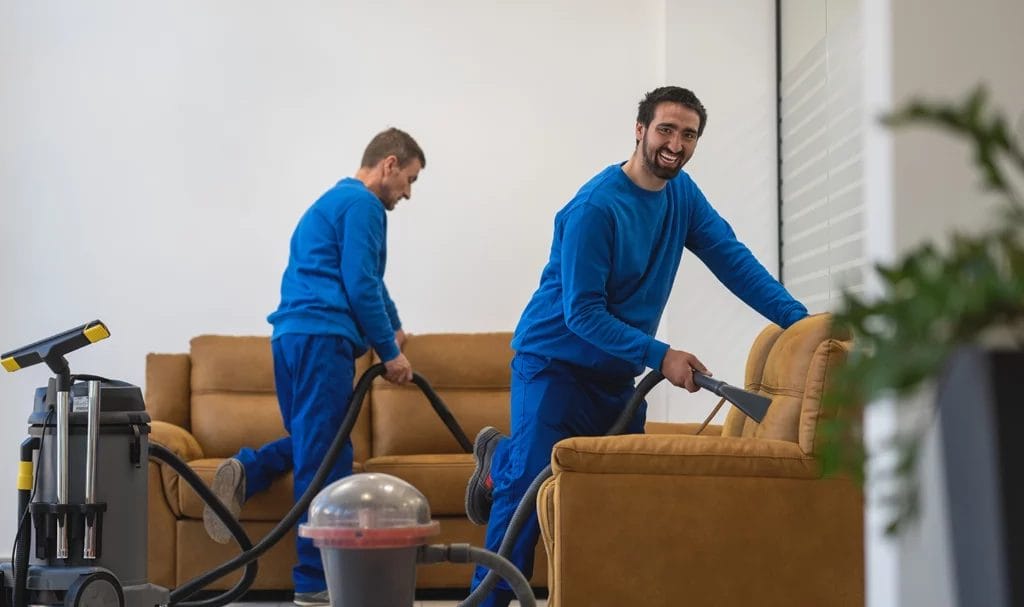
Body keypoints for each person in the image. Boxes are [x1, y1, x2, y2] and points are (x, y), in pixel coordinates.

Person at [463, 86, 809, 607]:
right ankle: (502, 503)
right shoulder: (596, 208)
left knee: (619, 496)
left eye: (688, 134)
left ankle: (502, 458)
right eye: (666, 129)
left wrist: (802, 323)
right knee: (525, 499)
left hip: (613, 377)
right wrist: (662, 355)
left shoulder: (682, 196)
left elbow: (732, 260)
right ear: (640, 129)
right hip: (552, 365)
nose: (676, 143)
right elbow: (582, 314)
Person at [201, 127, 425, 606]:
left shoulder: (332, 203)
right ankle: (313, 582)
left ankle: (250, 469)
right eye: (409, 179)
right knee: (327, 460)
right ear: (388, 164)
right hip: (322, 338)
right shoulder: (365, 205)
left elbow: (368, 281)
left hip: (292, 337)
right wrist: (390, 352)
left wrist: (395, 325)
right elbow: (360, 281)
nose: (407, 192)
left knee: (315, 442)